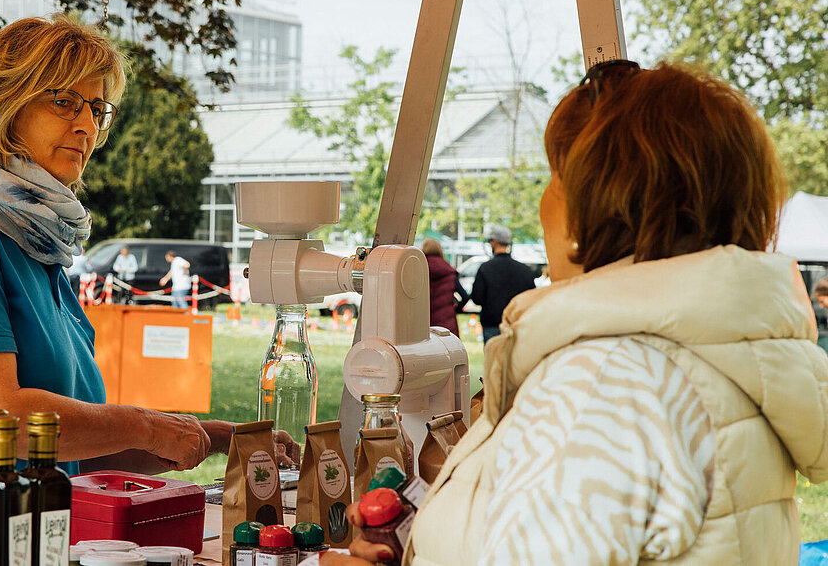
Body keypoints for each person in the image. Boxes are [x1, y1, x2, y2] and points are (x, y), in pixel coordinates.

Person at [328, 61, 828, 565]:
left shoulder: (605, 380)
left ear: (590, 206)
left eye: (554, 177)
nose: (543, 198)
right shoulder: (713, 359)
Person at [0, 16, 297, 544]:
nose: (87, 125)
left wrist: (213, 438)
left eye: (96, 108)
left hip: (13, 536)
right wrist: (146, 424)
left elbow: (73, 442)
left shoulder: (36, 244)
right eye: (64, 102)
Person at [470, 225, 534, 342]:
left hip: (492, 324)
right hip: (516, 323)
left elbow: (477, 298)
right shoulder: (524, 270)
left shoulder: (485, 268)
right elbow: (531, 298)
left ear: (495, 242)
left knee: (493, 360)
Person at [420, 239, 467, 336]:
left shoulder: (419, 270)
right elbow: (465, 296)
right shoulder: (449, 271)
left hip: (425, 324)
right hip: (447, 326)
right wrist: (455, 309)